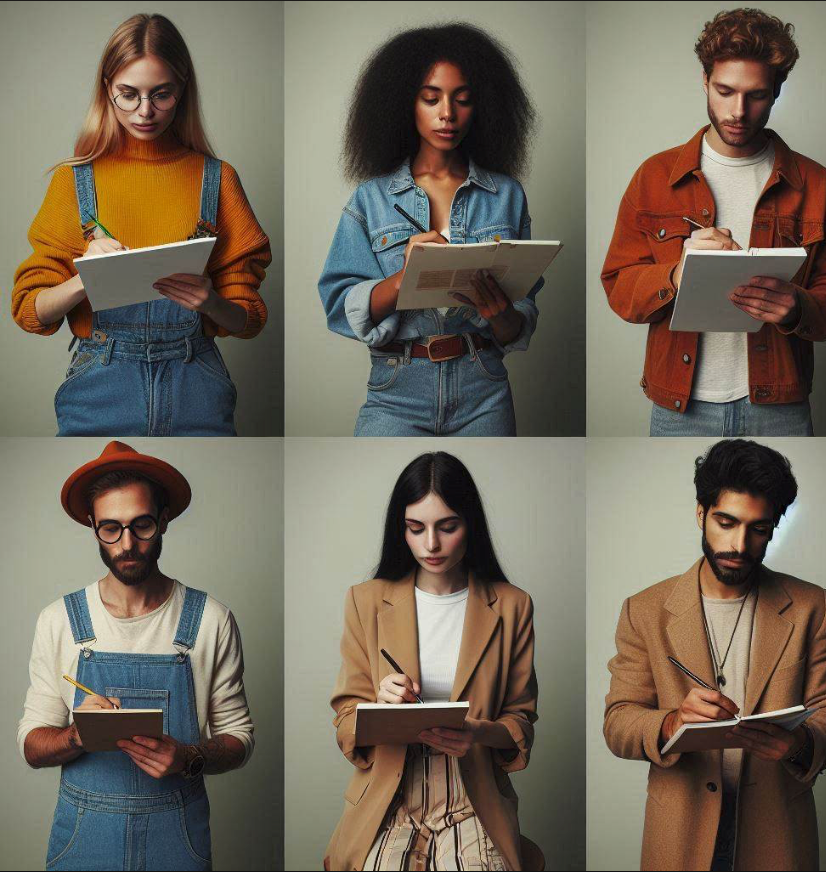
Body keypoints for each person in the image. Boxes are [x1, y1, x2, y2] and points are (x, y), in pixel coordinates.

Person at [601, 8, 826, 437]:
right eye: (725, 90)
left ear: (777, 91)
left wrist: (798, 307)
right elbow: (617, 285)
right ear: (704, 81)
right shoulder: (654, 176)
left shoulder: (815, 183)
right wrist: (676, 273)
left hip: (780, 405)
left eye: (756, 95)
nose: (738, 111)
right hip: (679, 407)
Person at [11, 13, 271, 436]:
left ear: (182, 91)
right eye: (128, 95)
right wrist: (84, 279)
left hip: (197, 385)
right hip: (100, 385)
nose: (145, 111)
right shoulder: (74, 181)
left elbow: (250, 320)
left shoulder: (217, 179)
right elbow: (28, 311)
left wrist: (211, 302)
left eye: (161, 95)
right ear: (106, 91)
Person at [604, 439, 826, 871]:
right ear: (701, 513)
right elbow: (618, 721)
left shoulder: (812, 606)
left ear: (773, 527)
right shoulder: (644, 610)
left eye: (758, 529)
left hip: (776, 835)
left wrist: (800, 742)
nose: (739, 545)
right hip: (679, 836)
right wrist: (670, 722)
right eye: (726, 522)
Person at [18, 441, 254, 870]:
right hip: (84, 835)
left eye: (141, 525)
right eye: (111, 528)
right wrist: (76, 735)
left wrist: (188, 757)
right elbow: (32, 746)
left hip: (177, 835)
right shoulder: (60, 620)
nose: (127, 544)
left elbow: (240, 739)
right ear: (93, 527)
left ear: (163, 521)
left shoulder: (211, 619)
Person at [318, 23, 543, 437]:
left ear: (482, 106)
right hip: (395, 392)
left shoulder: (507, 196)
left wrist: (501, 315)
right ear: (405, 103)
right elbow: (338, 307)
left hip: (484, 390)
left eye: (463, 100)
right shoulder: (370, 200)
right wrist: (405, 278)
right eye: (431, 98)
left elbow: (518, 323)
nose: (447, 114)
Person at [327, 452, 541, 870]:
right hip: (388, 803)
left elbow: (521, 722)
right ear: (400, 529)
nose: (431, 545)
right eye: (415, 528)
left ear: (470, 525)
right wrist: (379, 705)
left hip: (473, 801)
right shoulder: (365, 600)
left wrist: (476, 732)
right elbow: (345, 720)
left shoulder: (513, 605)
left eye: (448, 526)